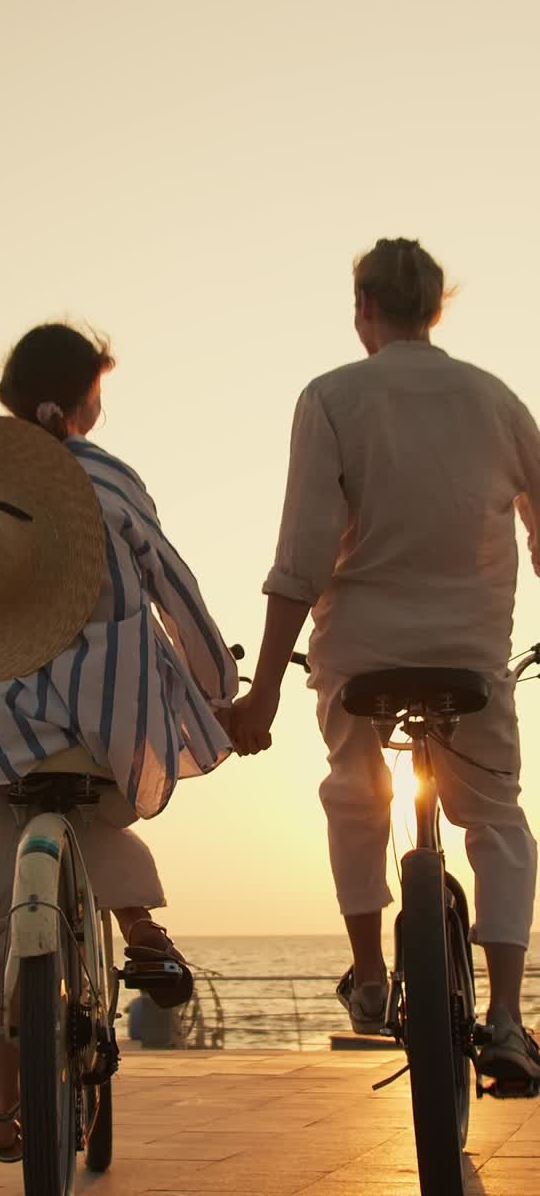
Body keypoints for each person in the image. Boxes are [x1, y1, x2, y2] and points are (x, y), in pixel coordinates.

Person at [0, 323, 238, 1162]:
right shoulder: (108, 481)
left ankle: (4, 1105)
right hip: (109, 727)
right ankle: (142, 925)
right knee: (103, 803)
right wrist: (225, 693)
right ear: (76, 401)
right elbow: (174, 590)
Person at [232, 237, 540, 1081]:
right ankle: (509, 1016)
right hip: (470, 656)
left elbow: (301, 556)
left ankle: (369, 978)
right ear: (436, 307)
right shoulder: (497, 401)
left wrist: (261, 691)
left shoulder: (332, 397)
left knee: (354, 791)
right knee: (498, 820)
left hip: (357, 652)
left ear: (363, 307)